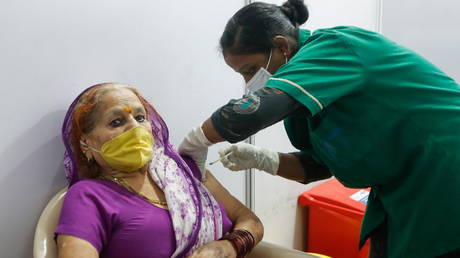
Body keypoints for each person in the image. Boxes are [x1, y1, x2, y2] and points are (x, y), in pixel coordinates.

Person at [178, 0, 460, 257]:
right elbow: (320, 166)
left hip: (445, 167)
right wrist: (262, 159)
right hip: (401, 184)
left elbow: (249, 113)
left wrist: (195, 141)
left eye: (251, 70)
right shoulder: (301, 99)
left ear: (282, 47)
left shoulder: (336, 47)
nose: (250, 82)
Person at [55, 83, 263, 258]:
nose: (135, 128)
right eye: (116, 121)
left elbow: (250, 221)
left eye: (140, 117)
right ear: (85, 143)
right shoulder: (89, 196)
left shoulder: (185, 172)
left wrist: (228, 246)